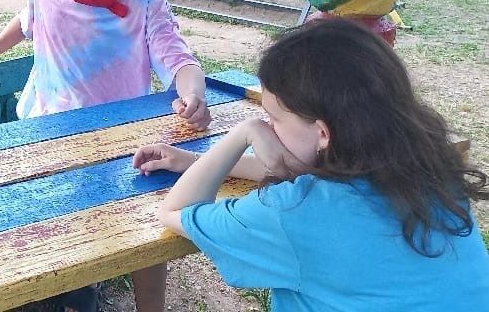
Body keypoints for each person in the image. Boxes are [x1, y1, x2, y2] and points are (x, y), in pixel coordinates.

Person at [0, 0, 209, 312]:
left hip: (116, 140)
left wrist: (193, 94)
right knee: (45, 223)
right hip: (44, 131)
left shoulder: (144, 0)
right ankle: (66, 291)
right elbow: (27, 21)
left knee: (143, 228)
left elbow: (178, 59)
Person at [136, 19, 489, 311]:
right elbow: (309, 173)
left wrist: (243, 133)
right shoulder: (431, 172)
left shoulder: (292, 213)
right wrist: (194, 161)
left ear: (322, 133)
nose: (268, 127)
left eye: (273, 119)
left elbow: (175, 211)